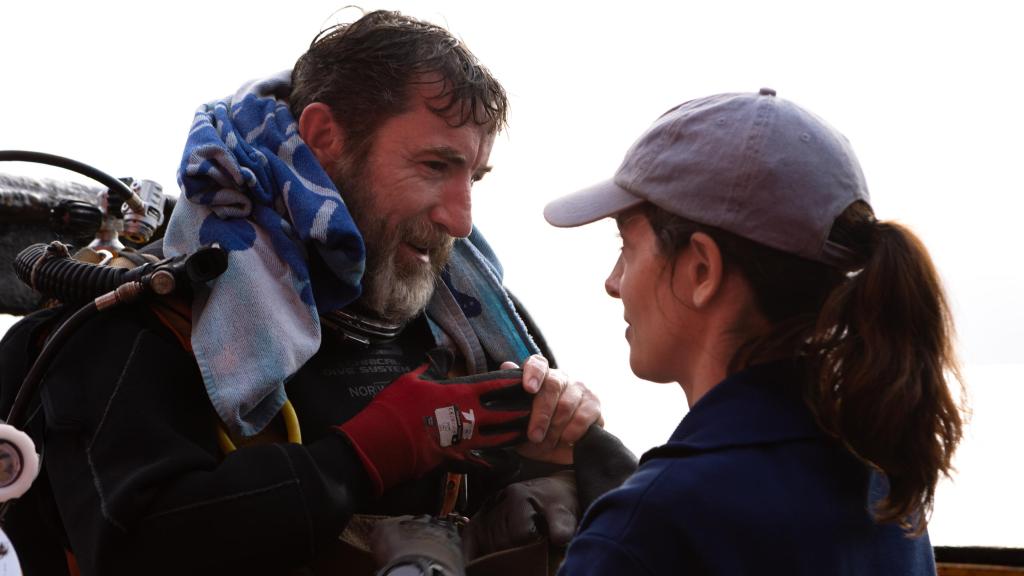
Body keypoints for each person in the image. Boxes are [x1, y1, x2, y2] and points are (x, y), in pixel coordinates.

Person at [0, 10, 603, 576]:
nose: (461, 219)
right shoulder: (148, 317)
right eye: (434, 166)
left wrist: (565, 458)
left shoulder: (464, 321)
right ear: (323, 137)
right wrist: (363, 456)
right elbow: (135, 548)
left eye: (472, 176)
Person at [540, 88, 964, 574]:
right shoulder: (885, 489)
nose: (613, 282)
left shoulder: (649, 528)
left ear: (702, 270)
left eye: (627, 246)